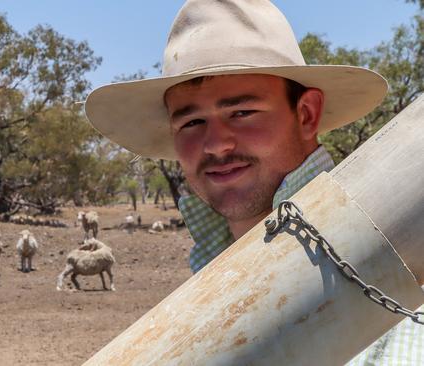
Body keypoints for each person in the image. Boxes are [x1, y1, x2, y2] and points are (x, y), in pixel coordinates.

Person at [83, 0, 422, 364]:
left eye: (242, 112)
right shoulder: (198, 293)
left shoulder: (405, 314)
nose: (215, 144)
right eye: (192, 122)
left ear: (307, 114)